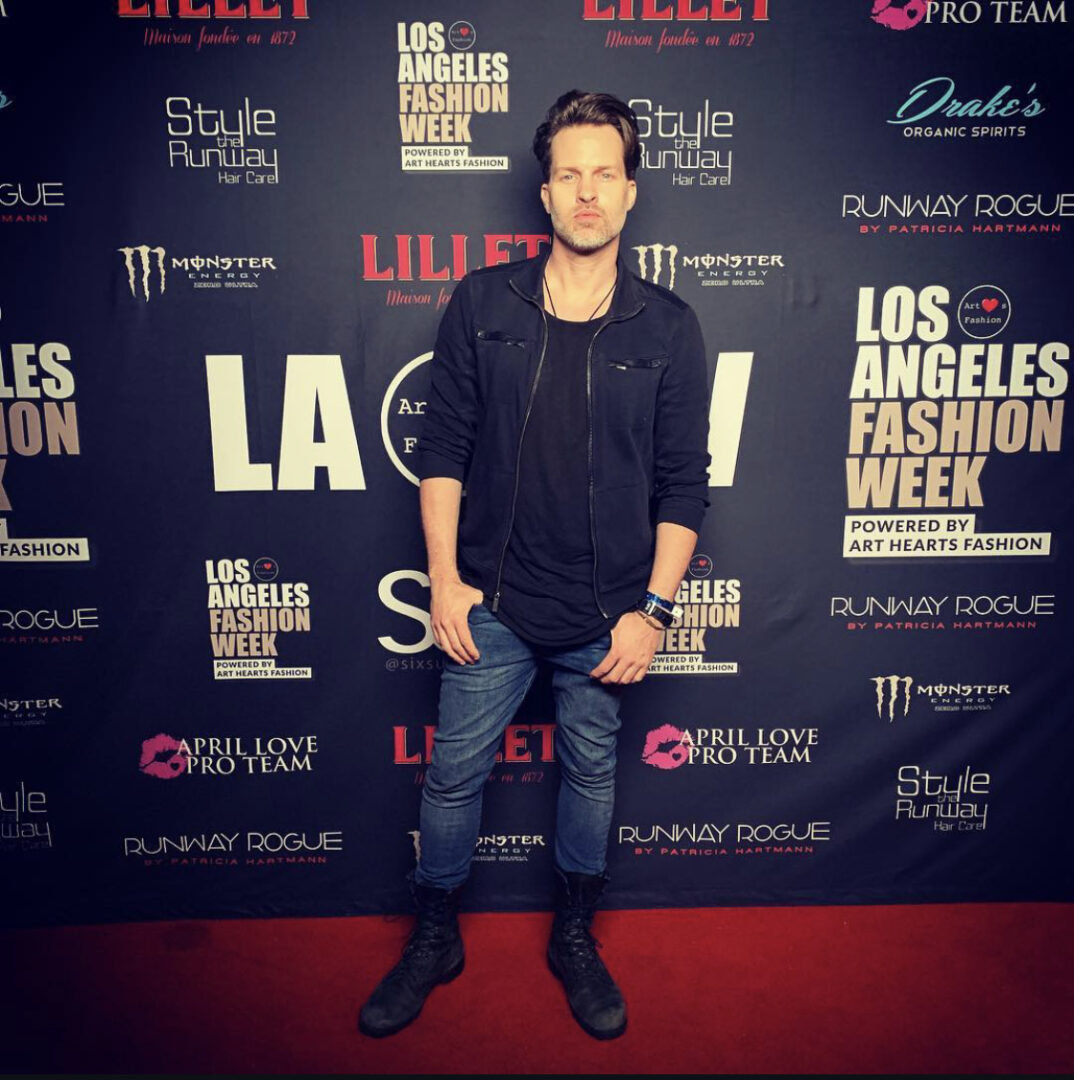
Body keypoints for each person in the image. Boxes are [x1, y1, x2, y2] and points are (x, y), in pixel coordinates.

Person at [359, 89, 711, 1041]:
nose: (587, 193)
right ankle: (436, 936)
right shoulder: (482, 302)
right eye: (569, 175)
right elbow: (442, 450)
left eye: (606, 174)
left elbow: (684, 485)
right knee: (451, 776)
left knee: (591, 774)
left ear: (630, 192)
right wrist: (445, 581)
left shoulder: (669, 327)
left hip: (608, 614)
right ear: (545, 194)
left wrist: (653, 612)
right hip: (496, 601)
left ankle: (575, 935)